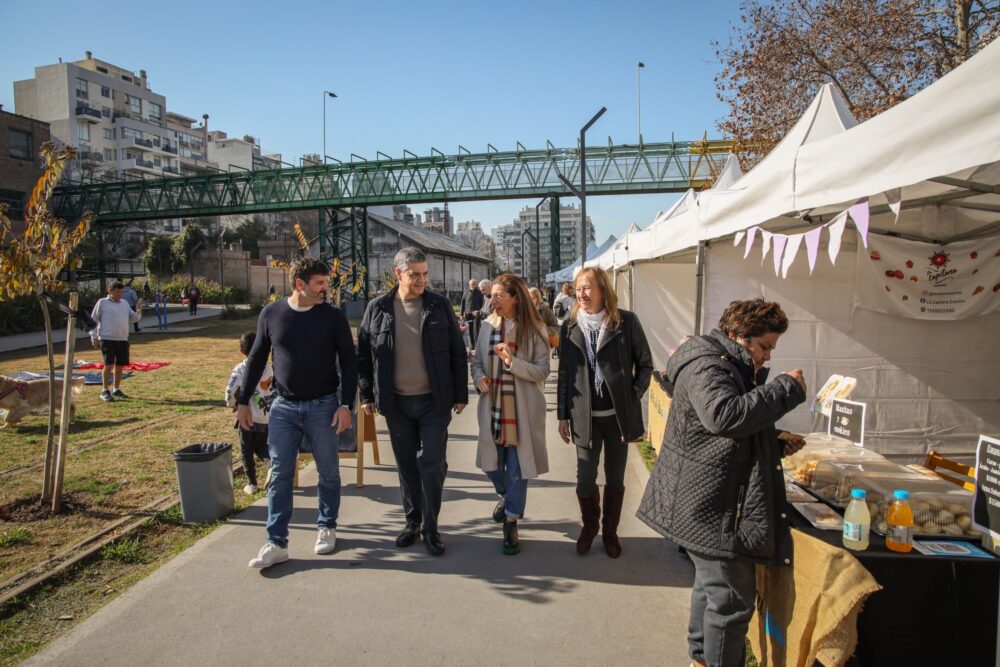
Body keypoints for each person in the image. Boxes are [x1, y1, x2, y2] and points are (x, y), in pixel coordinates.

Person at [636, 299, 808, 667]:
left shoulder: (721, 361)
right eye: (764, 346)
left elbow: (723, 426)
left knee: (713, 588)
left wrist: (771, 439)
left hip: (709, 497)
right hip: (709, 503)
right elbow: (722, 416)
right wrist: (784, 388)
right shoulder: (708, 364)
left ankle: (701, 657)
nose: (765, 356)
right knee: (730, 601)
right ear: (737, 335)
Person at [238, 257, 357, 569]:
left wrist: (347, 406)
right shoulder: (272, 313)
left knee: (328, 471)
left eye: (325, 283)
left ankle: (326, 526)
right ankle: (275, 542)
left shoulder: (332, 317)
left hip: (325, 406)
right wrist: (242, 401)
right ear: (300, 284)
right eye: (319, 283)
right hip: (284, 407)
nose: (325, 289)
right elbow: (255, 359)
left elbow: (348, 361)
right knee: (279, 474)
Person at [357, 247, 468, 556]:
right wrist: (367, 395)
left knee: (431, 465)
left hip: (434, 403)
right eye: (415, 275)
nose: (422, 280)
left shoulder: (439, 306)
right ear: (398, 274)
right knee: (407, 467)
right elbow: (363, 357)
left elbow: (457, 353)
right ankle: (413, 522)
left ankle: (432, 528)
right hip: (396, 406)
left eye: (425, 274)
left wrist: (460, 394)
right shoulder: (377, 308)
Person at [557, 267, 653, 558]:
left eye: (588, 288)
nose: (582, 294)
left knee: (615, 478)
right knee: (585, 477)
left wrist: (631, 396)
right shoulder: (570, 327)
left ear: (602, 290)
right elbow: (564, 374)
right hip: (584, 418)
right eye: (578, 288)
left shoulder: (625, 322)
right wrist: (562, 415)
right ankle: (589, 527)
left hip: (616, 419)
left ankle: (610, 533)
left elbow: (645, 365)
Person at [470, 274, 551, 555]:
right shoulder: (485, 327)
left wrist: (511, 362)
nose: (493, 301)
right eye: (491, 295)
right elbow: (477, 361)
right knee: (491, 466)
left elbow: (543, 371)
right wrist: (479, 378)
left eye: (498, 295)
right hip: (492, 408)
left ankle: (512, 520)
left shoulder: (534, 329)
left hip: (523, 412)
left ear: (515, 297)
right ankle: (506, 496)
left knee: (517, 469)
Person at [226, 331, 273, 495]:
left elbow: (231, 391)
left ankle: (252, 484)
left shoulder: (241, 369)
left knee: (246, 450)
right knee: (261, 445)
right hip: (265, 415)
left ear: (242, 350)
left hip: (247, 416)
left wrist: (233, 403)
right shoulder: (268, 369)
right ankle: (270, 463)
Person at [89, 281, 142, 402]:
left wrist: (138, 311)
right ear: (110, 291)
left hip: (122, 339)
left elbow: (134, 318)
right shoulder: (102, 302)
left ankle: (116, 389)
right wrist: (93, 336)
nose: (120, 294)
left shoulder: (124, 303)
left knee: (120, 365)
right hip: (107, 338)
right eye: (117, 291)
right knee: (108, 364)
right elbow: (93, 320)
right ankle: (105, 390)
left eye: (121, 292)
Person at [528, 286, 559, 352]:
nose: (530, 301)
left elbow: (556, 327)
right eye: (528, 298)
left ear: (538, 298)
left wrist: (542, 329)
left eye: (533, 298)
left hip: (542, 345)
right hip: (528, 345)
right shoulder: (524, 311)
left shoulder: (546, 311)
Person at [460, 278, 485, 352]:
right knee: (470, 330)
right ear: (469, 285)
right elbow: (463, 303)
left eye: (474, 284)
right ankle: (472, 345)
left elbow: (482, 303)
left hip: (476, 314)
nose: (472, 285)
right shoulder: (466, 292)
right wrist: (461, 314)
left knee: (476, 329)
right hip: (468, 313)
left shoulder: (479, 292)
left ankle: (477, 345)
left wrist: (480, 312)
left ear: (476, 284)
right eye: (471, 284)